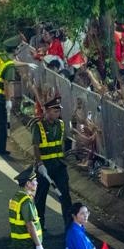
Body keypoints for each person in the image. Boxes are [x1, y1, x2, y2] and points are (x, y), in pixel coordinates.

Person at [32, 97, 71, 231]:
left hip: (59, 166)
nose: (58, 114)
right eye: (55, 111)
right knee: (41, 197)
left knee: (65, 195)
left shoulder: (61, 124)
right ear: (47, 111)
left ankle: (69, 225)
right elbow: (36, 146)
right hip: (45, 167)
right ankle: (39, 225)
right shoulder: (38, 126)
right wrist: (40, 163)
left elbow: (62, 143)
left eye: (58, 111)